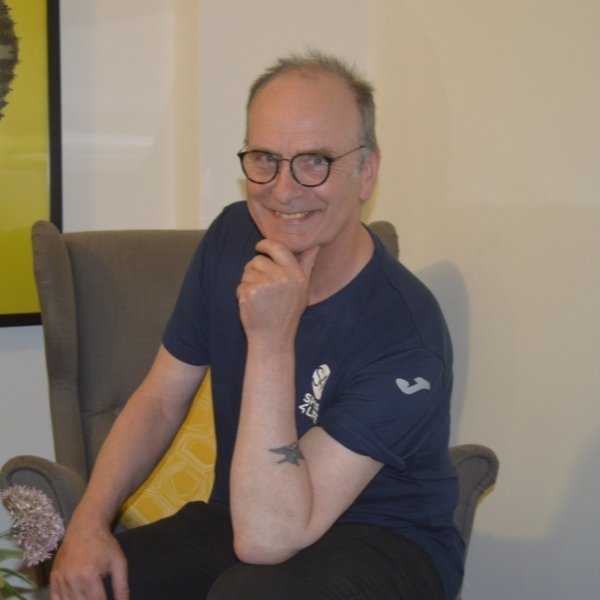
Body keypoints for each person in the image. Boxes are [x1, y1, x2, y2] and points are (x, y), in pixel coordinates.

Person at [49, 51, 464, 600]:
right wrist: (88, 523)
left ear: (366, 171)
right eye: (265, 158)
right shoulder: (230, 236)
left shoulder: (405, 335)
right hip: (245, 511)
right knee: (91, 584)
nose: (284, 190)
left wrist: (270, 340)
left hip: (386, 542)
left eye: (315, 161)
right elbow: (160, 398)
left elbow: (271, 541)